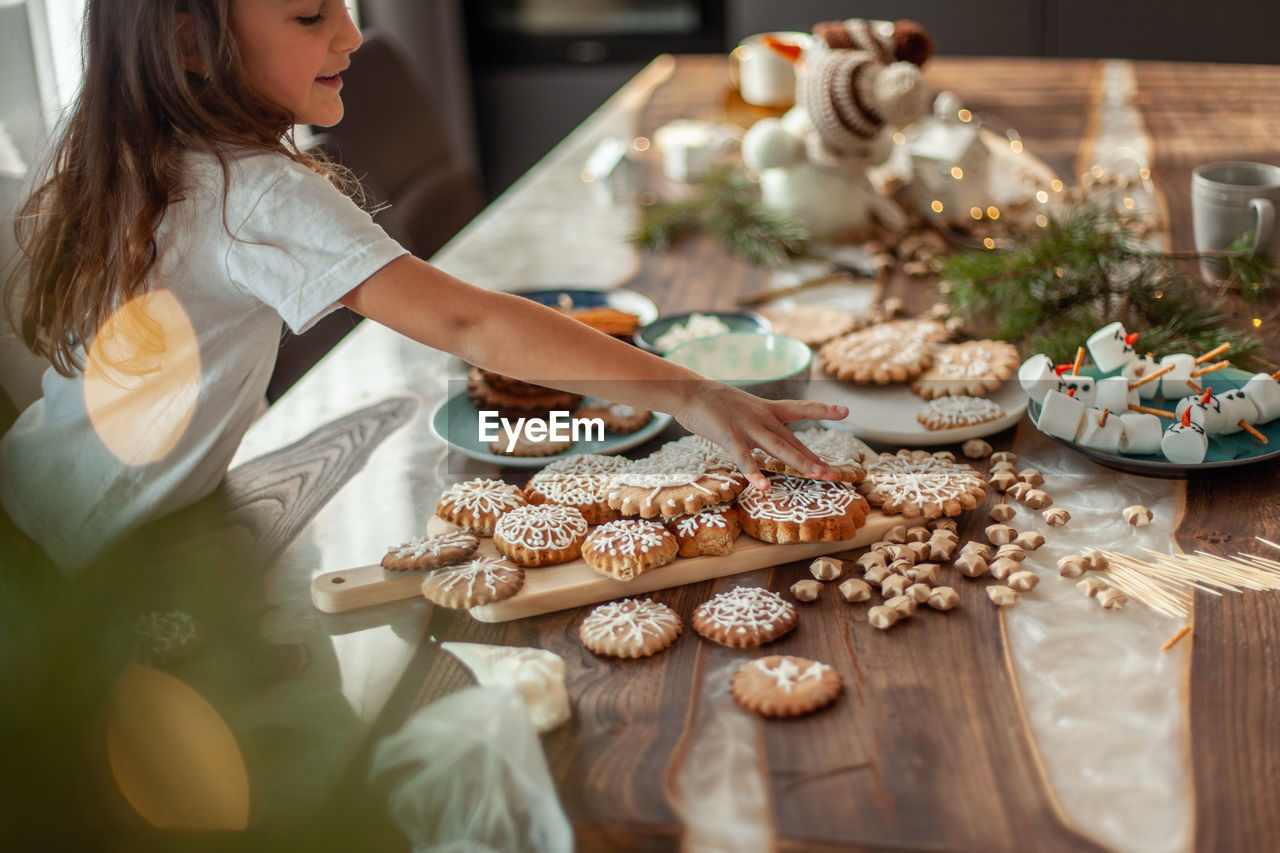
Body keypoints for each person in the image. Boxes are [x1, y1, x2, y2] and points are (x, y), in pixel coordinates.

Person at [0, 0, 847, 575]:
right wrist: (690, 393)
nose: (352, 34)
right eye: (308, 13)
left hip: (36, 497)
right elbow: (468, 319)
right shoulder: (248, 192)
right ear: (188, 42)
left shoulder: (124, 148)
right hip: (89, 558)